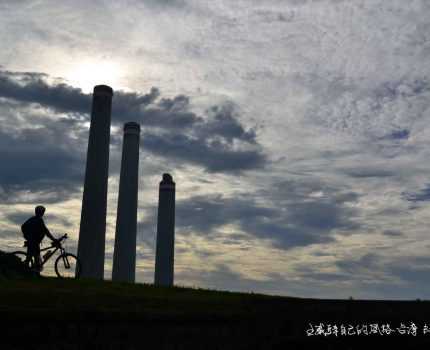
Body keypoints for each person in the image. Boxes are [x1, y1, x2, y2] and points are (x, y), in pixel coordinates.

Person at [21, 205, 59, 272]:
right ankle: (28, 272)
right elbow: (46, 231)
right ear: (41, 212)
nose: (43, 213)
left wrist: (27, 236)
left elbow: (23, 226)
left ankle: (32, 272)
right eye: (42, 212)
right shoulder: (38, 220)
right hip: (33, 241)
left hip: (32, 240)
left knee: (32, 257)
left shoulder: (33, 218)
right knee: (35, 257)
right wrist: (54, 239)